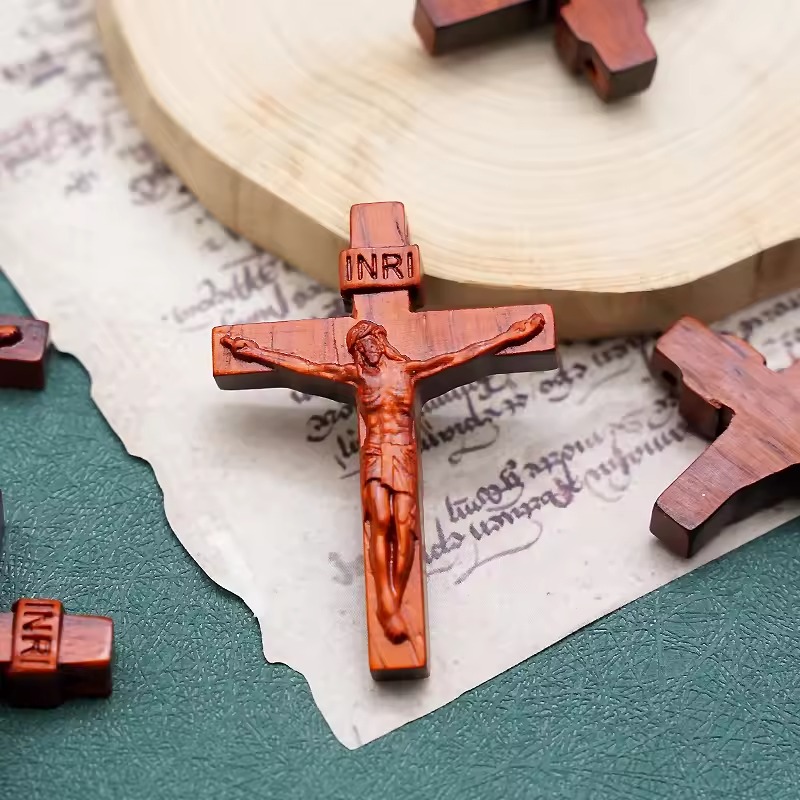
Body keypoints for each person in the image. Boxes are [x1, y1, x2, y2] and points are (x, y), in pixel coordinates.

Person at [221, 312, 545, 643]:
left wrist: (511, 335)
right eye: (361, 346)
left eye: (372, 342)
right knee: (381, 522)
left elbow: (460, 356)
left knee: (404, 529)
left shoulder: (408, 371)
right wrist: (254, 352)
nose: (369, 350)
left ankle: (396, 594)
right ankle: (386, 606)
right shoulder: (357, 379)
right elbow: (306, 367)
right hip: (376, 452)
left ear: (381, 343)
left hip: (402, 452)